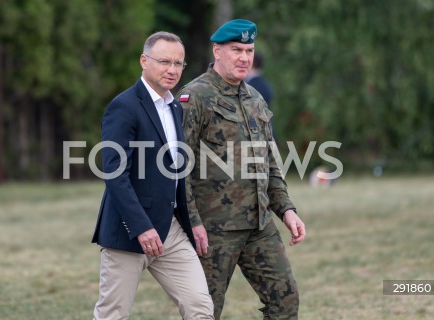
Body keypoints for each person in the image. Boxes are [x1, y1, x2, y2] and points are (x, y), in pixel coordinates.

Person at [177, 19, 306, 319]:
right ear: (217, 51)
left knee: (285, 302)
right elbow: (177, 168)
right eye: (236, 49)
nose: (244, 57)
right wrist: (192, 221)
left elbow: (270, 162)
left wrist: (286, 209)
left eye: (249, 50)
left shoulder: (255, 98)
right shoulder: (195, 97)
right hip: (213, 230)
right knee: (205, 312)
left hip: (259, 226)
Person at [91, 31, 214, 320]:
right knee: (112, 314)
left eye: (178, 64)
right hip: (128, 232)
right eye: (164, 62)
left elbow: (177, 172)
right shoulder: (124, 106)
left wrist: (191, 221)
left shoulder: (174, 107)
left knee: (200, 307)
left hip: (171, 230)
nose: (172, 70)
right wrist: (140, 227)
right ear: (144, 61)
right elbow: (115, 173)